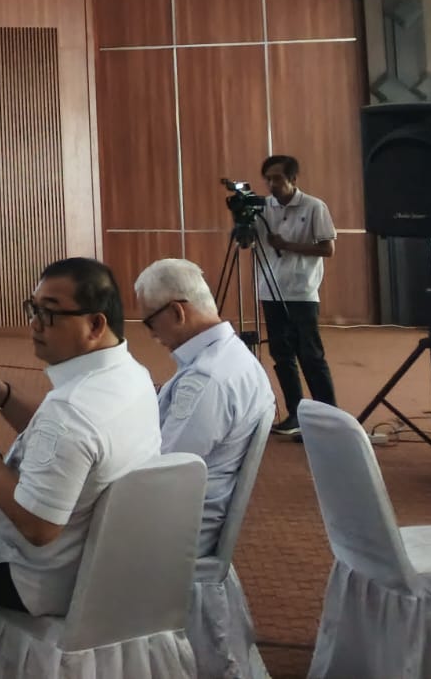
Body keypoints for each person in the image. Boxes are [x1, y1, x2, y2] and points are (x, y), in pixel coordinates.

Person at [0, 258, 160, 672]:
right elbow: (63, 452)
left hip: (43, 577)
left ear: (94, 324)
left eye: (49, 313)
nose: (34, 324)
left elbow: (37, 526)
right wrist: (3, 396)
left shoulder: (71, 411)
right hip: (105, 563)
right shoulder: (131, 375)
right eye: (33, 308)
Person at [134, 258, 276, 557]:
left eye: (150, 323)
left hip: (172, 531)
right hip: (182, 514)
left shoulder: (207, 379)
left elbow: (162, 471)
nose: (151, 335)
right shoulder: (230, 355)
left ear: (177, 312)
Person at [256, 154, 337, 437]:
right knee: (282, 355)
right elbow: (246, 242)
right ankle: (296, 414)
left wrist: (287, 245)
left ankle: (329, 417)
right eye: (268, 179)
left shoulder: (314, 206)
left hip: (302, 291)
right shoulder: (262, 207)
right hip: (270, 289)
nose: (271, 184)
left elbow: (327, 249)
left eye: (277, 178)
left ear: (292, 179)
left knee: (310, 355)